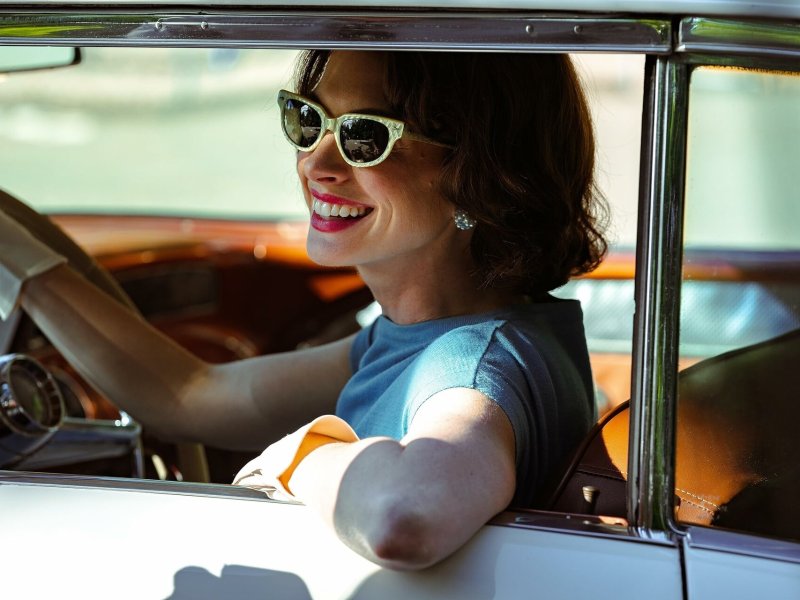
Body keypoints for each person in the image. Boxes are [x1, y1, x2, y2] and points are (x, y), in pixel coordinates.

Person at [0, 50, 606, 570]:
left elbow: (409, 516)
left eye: (364, 137)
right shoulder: (417, 337)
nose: (317, 162)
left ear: (481, 174)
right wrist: (25, 263)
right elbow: (188, 395)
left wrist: (302, 457)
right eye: (308, 119)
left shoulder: (473, 365)